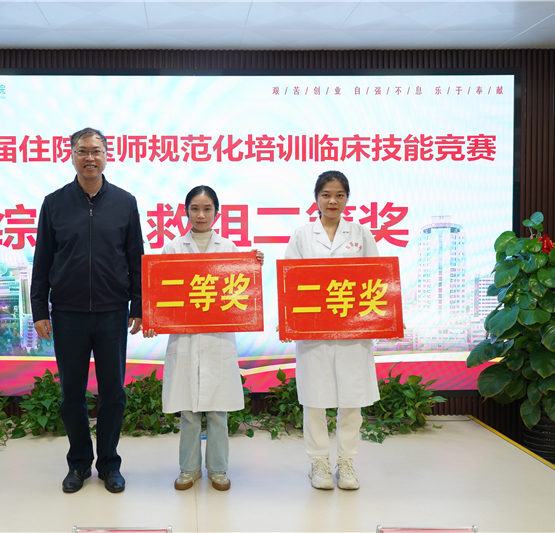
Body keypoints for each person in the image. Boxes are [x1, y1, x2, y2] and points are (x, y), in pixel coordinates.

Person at [30, 127, 144, 494]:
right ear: (72, 155)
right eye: (82, 151)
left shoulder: (125, 202)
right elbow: (42, 259)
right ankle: (78, 463)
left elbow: (136, 258)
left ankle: (109, 464)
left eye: (96, 150)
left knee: (113, 394)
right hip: (68, 313)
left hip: (112, 312)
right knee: (71, 396)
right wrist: (39, 309)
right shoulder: (54, 203)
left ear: (107, 155)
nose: (89, 157)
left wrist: (139, 305)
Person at [143, 185, 263, 492]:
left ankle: (218, 470)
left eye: (207, 209)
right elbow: (162, 293)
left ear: (216, 213)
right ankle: (189, 469)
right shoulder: (173, 248)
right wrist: (152, 318)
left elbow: (241, 292)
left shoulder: (229, 247)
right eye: (195, 209)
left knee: (218, 411)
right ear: (186, 212)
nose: (201, 215)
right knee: (189, 411)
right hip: (185, 341)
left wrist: (253, 265)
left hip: (217, 341)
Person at [283, 170, 380, 491]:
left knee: (352, 400)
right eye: (326, 194)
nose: (332, 201)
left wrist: (385, 318)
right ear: (316, 198)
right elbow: (291, 282)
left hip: (352, 332)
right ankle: (319, 462)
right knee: (315, 399)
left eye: (339, 195)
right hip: (314, 333)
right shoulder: (302, 236)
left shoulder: (361, 234)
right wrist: (289, 320)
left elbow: (377, 280)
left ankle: (347, 462)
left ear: (347, 198)